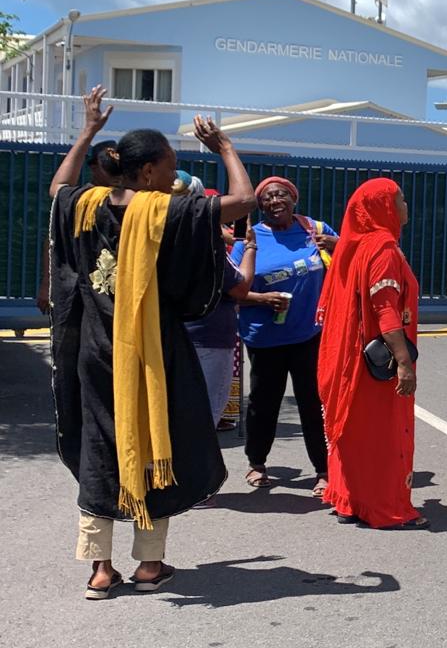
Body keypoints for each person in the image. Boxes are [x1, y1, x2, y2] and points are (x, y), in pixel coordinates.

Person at [48, 86, 257, 599]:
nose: (171, 177)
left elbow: (58, 187)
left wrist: (87, 132)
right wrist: (226, 148)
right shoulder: (164, 213)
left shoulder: (88, 206)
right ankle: (149, 565)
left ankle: (100, 569)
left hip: (99, 355)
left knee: (103, 447)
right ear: (146, 174)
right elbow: (244, 201)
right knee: (155, 445)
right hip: (153, 356)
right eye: (168, 169)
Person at [316, 178, 427, 529]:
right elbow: (385, 311)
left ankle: (351, 503)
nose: (406, 207)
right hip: (376, 366)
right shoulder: (382, 248)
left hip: (350, 359)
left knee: (355, 435)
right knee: (382, 436)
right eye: (401, 201)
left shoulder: (356, 245)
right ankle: (386, 508)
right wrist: (404, 364)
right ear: (384, 209)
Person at [230, 176, 339, 495]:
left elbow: (353, 261)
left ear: (294, 199)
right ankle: (257, 463)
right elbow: (233, 289)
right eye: (267, 197)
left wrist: (339, 245)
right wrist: (261, 299)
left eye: (281, 195)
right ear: (260, 205)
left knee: (313, 402)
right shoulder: (249, 238)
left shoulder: (315, 229)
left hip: (311, 335)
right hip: (265, 338)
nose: (275, 201)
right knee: (264, 402)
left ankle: (323, 470)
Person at [184, 219, 255, 427]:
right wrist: (250, 245)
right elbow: (240, 288)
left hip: (177, 335)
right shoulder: (207, 247)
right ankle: (195, 459)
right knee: (204, 416)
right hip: (208, 339)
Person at [37, 140, 117, 314]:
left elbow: (58, 188)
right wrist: (46, 283)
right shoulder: (81, 201)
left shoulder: (132, 200)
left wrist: (88, 132)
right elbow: (53, 240)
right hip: (85, 294)